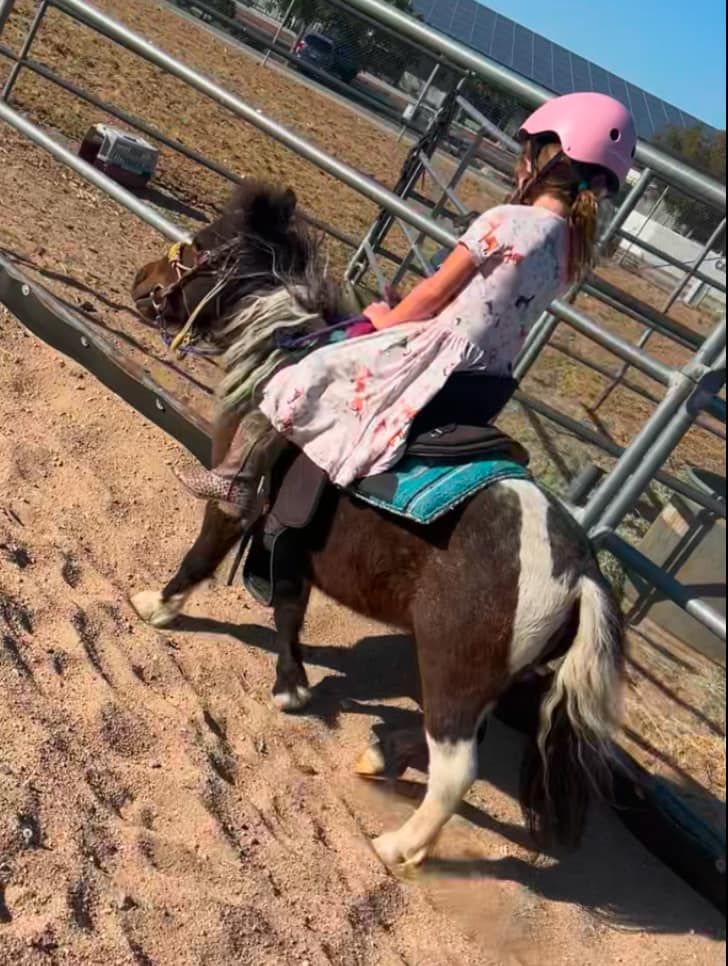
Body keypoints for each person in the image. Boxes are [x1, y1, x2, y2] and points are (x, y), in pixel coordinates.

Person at [177, 92, 636, 517]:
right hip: (487, 381)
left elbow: (437, 290)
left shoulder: (506, 220)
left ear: (552, 155)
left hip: (438, 358)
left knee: (302, 373)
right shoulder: (570, 250)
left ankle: (236, 478)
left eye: (528, 151)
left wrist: (387, 319)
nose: (521, 163)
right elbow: (493, 302)